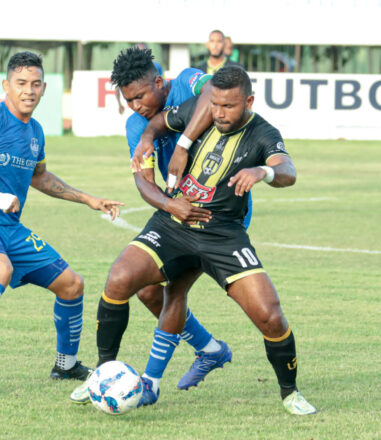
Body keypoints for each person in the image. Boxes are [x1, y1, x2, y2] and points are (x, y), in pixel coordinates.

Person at [109, 66, 317, 415]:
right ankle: (174, 369)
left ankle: (288, 392)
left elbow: (288, 170)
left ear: (248, 101)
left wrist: (262, 171)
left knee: (268, 314)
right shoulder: (144, 123)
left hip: (223, 227)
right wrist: (149, 141)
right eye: (215, 105)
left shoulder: (253, 126)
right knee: (150, 290)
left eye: (228, 106)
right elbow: (153, 139)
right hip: (178, 218)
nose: (218, 113)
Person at [0, 51, 124, 392]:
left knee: (72, 284)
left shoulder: (35, 131)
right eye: (21, 83)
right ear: (6, 85)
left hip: (10, 229)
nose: (29, 91)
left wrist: (87, 199)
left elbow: (41, 178)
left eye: (36, 84)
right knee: (1, 270)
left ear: (44, 88)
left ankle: (65, 366)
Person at [69, 47, 241, 404]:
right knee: (141, 287)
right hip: (176, 210)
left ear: (160, 83)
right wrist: (168, 203)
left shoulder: (189, 82)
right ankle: (108, 373)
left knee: (174, 291)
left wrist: (182, 142)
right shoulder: (135, 125)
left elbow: (216, 91)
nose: (135, 106)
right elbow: (143, 181)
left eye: (140, 96)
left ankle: (152, 384)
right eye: (128, 100)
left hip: (217, 213)